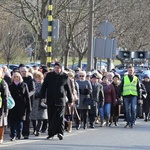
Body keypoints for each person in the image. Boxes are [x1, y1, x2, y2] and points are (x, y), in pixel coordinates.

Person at [40, 62, 73, 140]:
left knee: (60, 117)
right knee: (51, 117)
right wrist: (43, 97)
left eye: (58, 68)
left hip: (61, 100)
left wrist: (70, 100)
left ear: (61, 68)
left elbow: (68, 89)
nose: (56, 69)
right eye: (55, 68)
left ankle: (60, 132)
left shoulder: (65, 76)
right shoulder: (49, 76)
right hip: (50, 99)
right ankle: (51, 133)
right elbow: (44, 87)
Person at [9, 72, 32, 141]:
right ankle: (13, 134)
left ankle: (19, 133)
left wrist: (29, 107)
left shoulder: (24, 85)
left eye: (18, 77)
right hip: (13, 106)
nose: (16, 78)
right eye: (15, 77)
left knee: (20, 121)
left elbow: (27, 97)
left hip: (21, 106)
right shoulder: (10, 86)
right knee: (12, 121)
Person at [20, 66, 35, 139]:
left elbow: (33, 90)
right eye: (22, 71)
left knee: (27, 118)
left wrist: (27, 95)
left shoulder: (30, 80)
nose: (23, 73)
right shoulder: (18, 79)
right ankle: (19, 132)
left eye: (25, 71)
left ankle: (26, 133)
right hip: (19, 101)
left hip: (28, 101)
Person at [30, 71, 48, 136]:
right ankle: (35, 128)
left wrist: (43, 97)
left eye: (41, 78)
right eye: (38, 78)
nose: (40, 80)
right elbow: (32, 91)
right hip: (34, 102)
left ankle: (38, 129)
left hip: (42, 102)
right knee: (34, 117)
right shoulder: (33, 84)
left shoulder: (44, 84)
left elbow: (47, 92)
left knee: (41, 117)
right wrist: (35, 95)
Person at [0, 68, 9, 144]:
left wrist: (5, 109)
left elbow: (5, 97)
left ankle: (1, 137)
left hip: (1, 107)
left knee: (1, 123)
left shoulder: (3, 83)